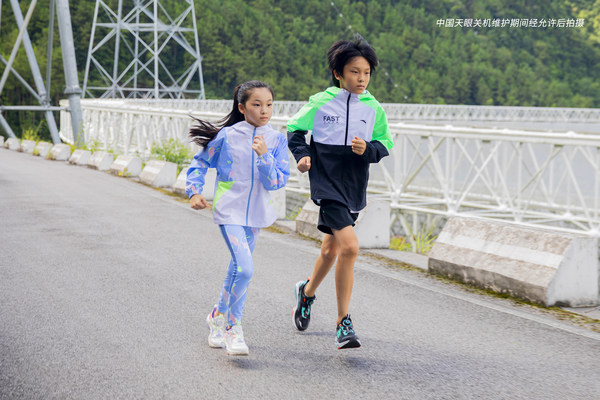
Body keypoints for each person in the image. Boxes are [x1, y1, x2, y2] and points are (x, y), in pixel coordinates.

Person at [287, 38, 394, 349]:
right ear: (338, 73)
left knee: (330, 251)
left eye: (366, 73)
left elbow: (385, 144)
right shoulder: (320, 102)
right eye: (354, 72)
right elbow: (294, 129)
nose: (361, 79)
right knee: (349, 247)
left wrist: (367, 149)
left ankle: (305, 293)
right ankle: (343, 322)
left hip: (354, 184)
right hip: (327, 181)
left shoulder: (373, 108)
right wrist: (302, 154)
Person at [186, 80, 289, 356]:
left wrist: (265, 156)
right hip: (229, 210)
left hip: (256, 214)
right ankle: (233, 328)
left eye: (269, 104)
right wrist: (194, 192)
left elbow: (277, 182)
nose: (264, 110)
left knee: (236, 269)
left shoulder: (277, 140)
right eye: (257, 104)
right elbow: (200, 162)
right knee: (245, 269)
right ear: (242, 108)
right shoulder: (228, 136)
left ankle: (217, 317)